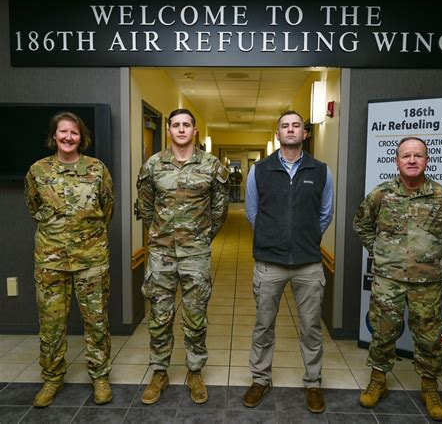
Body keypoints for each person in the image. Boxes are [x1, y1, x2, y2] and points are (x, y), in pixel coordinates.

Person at [353, 137, 442, 421]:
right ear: (397, 161)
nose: (412, 160)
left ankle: (430, 388)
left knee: (429, 338)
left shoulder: (441, 196)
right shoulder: (381, 193)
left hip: (426, 284)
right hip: (387, 280)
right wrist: (380, 251)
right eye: (406, 156)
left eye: (418, 155)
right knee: (382, 333)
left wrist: (434, 253)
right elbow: (361, 224)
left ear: (427, 160)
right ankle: (378, 380)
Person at [137, 108, 229, 405]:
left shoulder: (211, 165)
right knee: (159, 317)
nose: (180, 129)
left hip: (196, 254)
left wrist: (200, 237)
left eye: (186, 125)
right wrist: (161, 234)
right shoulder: (153, 165)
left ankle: (194, 371)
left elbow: (219, 210)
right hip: (161, 253)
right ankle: (160, 372)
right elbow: (146, 207)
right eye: (175, 125)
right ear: (168, 130)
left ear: (195, 130)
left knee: (195, 316)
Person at [244, 110, 334, 413]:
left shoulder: (321, 170)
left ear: (304, 133)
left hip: (308, 264)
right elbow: (253, 213)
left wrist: (303, 239)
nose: (291, 129)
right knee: (263, 325)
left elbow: (325, 214)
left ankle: (313, 383)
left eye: (296, 125)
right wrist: (274, 237)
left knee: (311, 327)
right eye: (285, 125)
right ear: (278, 132)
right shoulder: (260, 170)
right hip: (270, 263)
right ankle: (260, 379)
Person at [24, 112, 114, 407]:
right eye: (63, 132)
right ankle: (51, 379)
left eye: (74, 132)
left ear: (81, 137)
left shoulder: (97, 169)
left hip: (91, 259)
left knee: (97, 322)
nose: (68, 137)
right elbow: (33, 207)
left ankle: (100, 377)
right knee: (51, 325)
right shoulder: (38, 171)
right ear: (54, 136)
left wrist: (86, 236)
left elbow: (107, 208)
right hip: (50, 261)